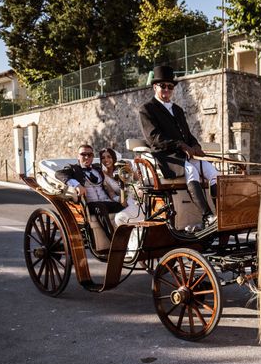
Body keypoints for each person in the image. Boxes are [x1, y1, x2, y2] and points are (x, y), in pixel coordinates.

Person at [138, 65, 218, 228]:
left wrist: (195, 145)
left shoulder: (178, 110)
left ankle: (221, 213)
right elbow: (154, 138)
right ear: (155, 87)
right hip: (166, 156)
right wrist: (179, 144)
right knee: (191, 170)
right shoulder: (147, 109)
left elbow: (187, 135)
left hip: (184, 154)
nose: (167, 89)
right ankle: (207, 216)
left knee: (214, 172)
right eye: (163, 86)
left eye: (170, 86)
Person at [56, 144, 124, 239]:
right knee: (99, 207)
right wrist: (77, 185)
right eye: (83, 154)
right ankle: (113, 240)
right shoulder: (74, 169)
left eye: (90, 154)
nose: (87, 157)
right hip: (91, 204)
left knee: (124, 206)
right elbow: (59, 173)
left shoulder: (98, 168)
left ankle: (129, 238)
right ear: (78, 156)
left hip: (107, 201)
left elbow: (112, 168)